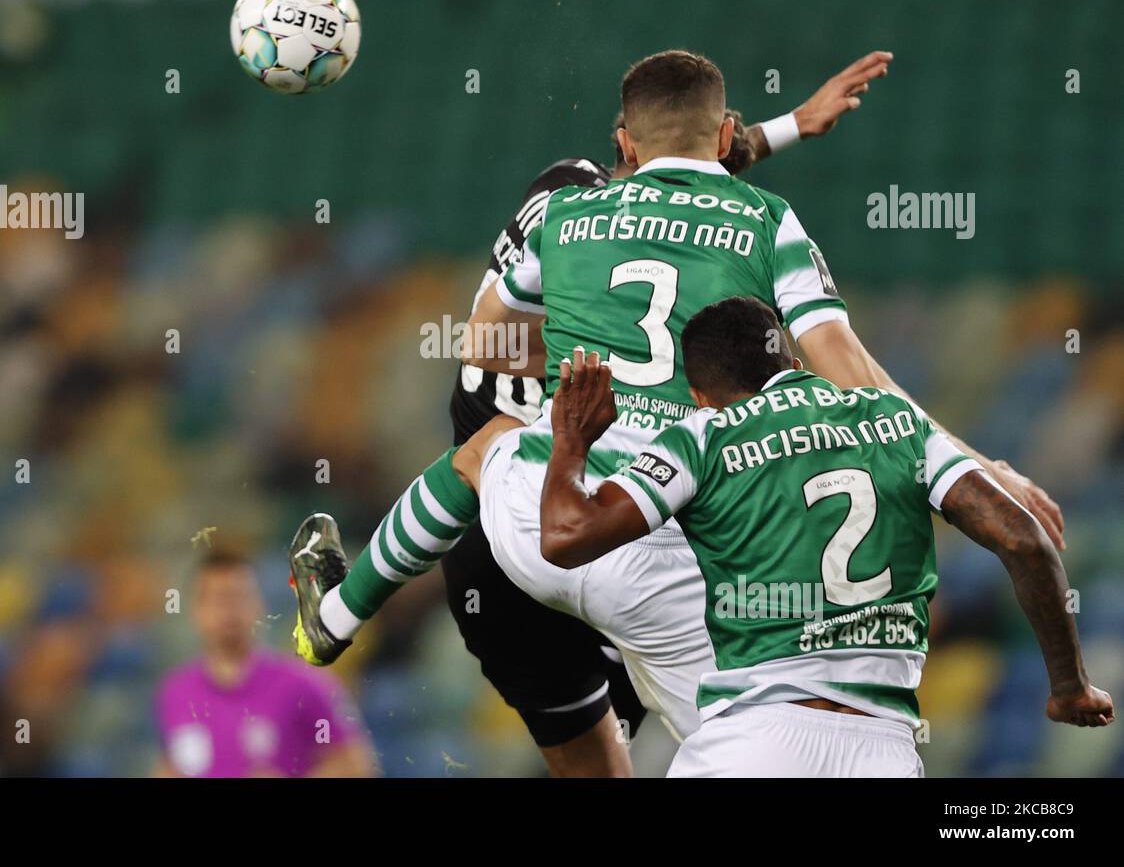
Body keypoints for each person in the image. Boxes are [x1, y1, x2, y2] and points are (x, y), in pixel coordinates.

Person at [291, 49, 1061, 774]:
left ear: (623, 141)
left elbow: (484, 342)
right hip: (673, 558)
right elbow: (850, 374)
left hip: (541, 532)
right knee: (767, 732)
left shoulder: (566, 214)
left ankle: (338, 614)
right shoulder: (766, 222)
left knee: (488, 442)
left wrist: (585, 363)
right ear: (726, 134)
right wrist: (973, 462)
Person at [538, 297, 1113, 776]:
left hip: (755, 744)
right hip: (882, 751)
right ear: (789, 354)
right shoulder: (897, 421)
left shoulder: (704, 436)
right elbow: (1023, 538)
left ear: (699, 393)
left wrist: (571, 438)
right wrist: (1070, 686)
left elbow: (566, 537)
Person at [157, 550, 375, 777]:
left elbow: (356, 765)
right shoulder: (175, 693)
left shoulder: (304, 684)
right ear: (196, 610)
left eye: (239, 597)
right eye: (218, 599)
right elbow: (170, 766)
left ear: (259, 604)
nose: (228, 611)